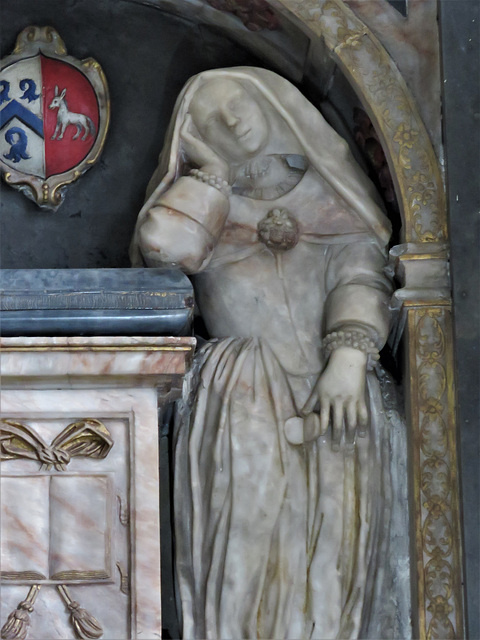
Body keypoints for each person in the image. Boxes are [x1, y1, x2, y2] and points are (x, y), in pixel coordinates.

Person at [131, 67, 409, 639]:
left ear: (275, 103)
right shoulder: (204, 210)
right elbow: (164, 247)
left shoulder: (335, 195)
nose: (231, 118)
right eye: (210, 120)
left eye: (238, 101)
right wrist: (208, 176)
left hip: (339, 390)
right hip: (242, 393)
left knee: (335, 545)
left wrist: (350, 359)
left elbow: (362, 272)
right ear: (194, 136)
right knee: (245, 549)